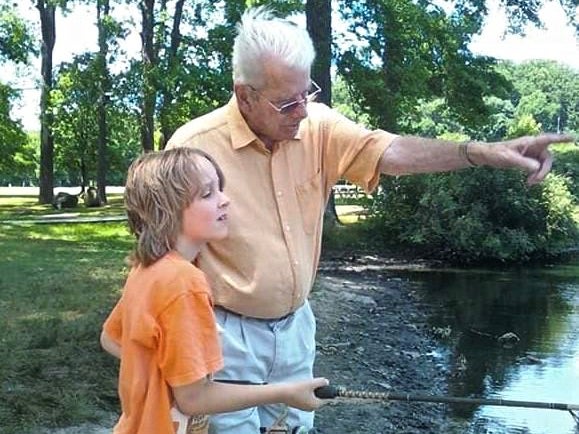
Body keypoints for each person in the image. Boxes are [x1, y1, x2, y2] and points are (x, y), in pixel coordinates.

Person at [166, 7, 576, 433]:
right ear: (245, 94)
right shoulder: (190, 150)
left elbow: (392, 152)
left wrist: (481, 152)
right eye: (287, 103)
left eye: (307, 93)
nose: (302, 111)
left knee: (293, 429)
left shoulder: (318, 126)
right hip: (223, 332)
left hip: (296, 326)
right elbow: (161, 259)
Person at [100, 147, 328, 434]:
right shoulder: (184, 282)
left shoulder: (147, 270)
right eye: (207, 194)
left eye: (220, 189)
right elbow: (194, 398)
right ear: (166, 211)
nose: (225, 200)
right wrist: (284, 393)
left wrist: (167, 371)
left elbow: (110, 338)